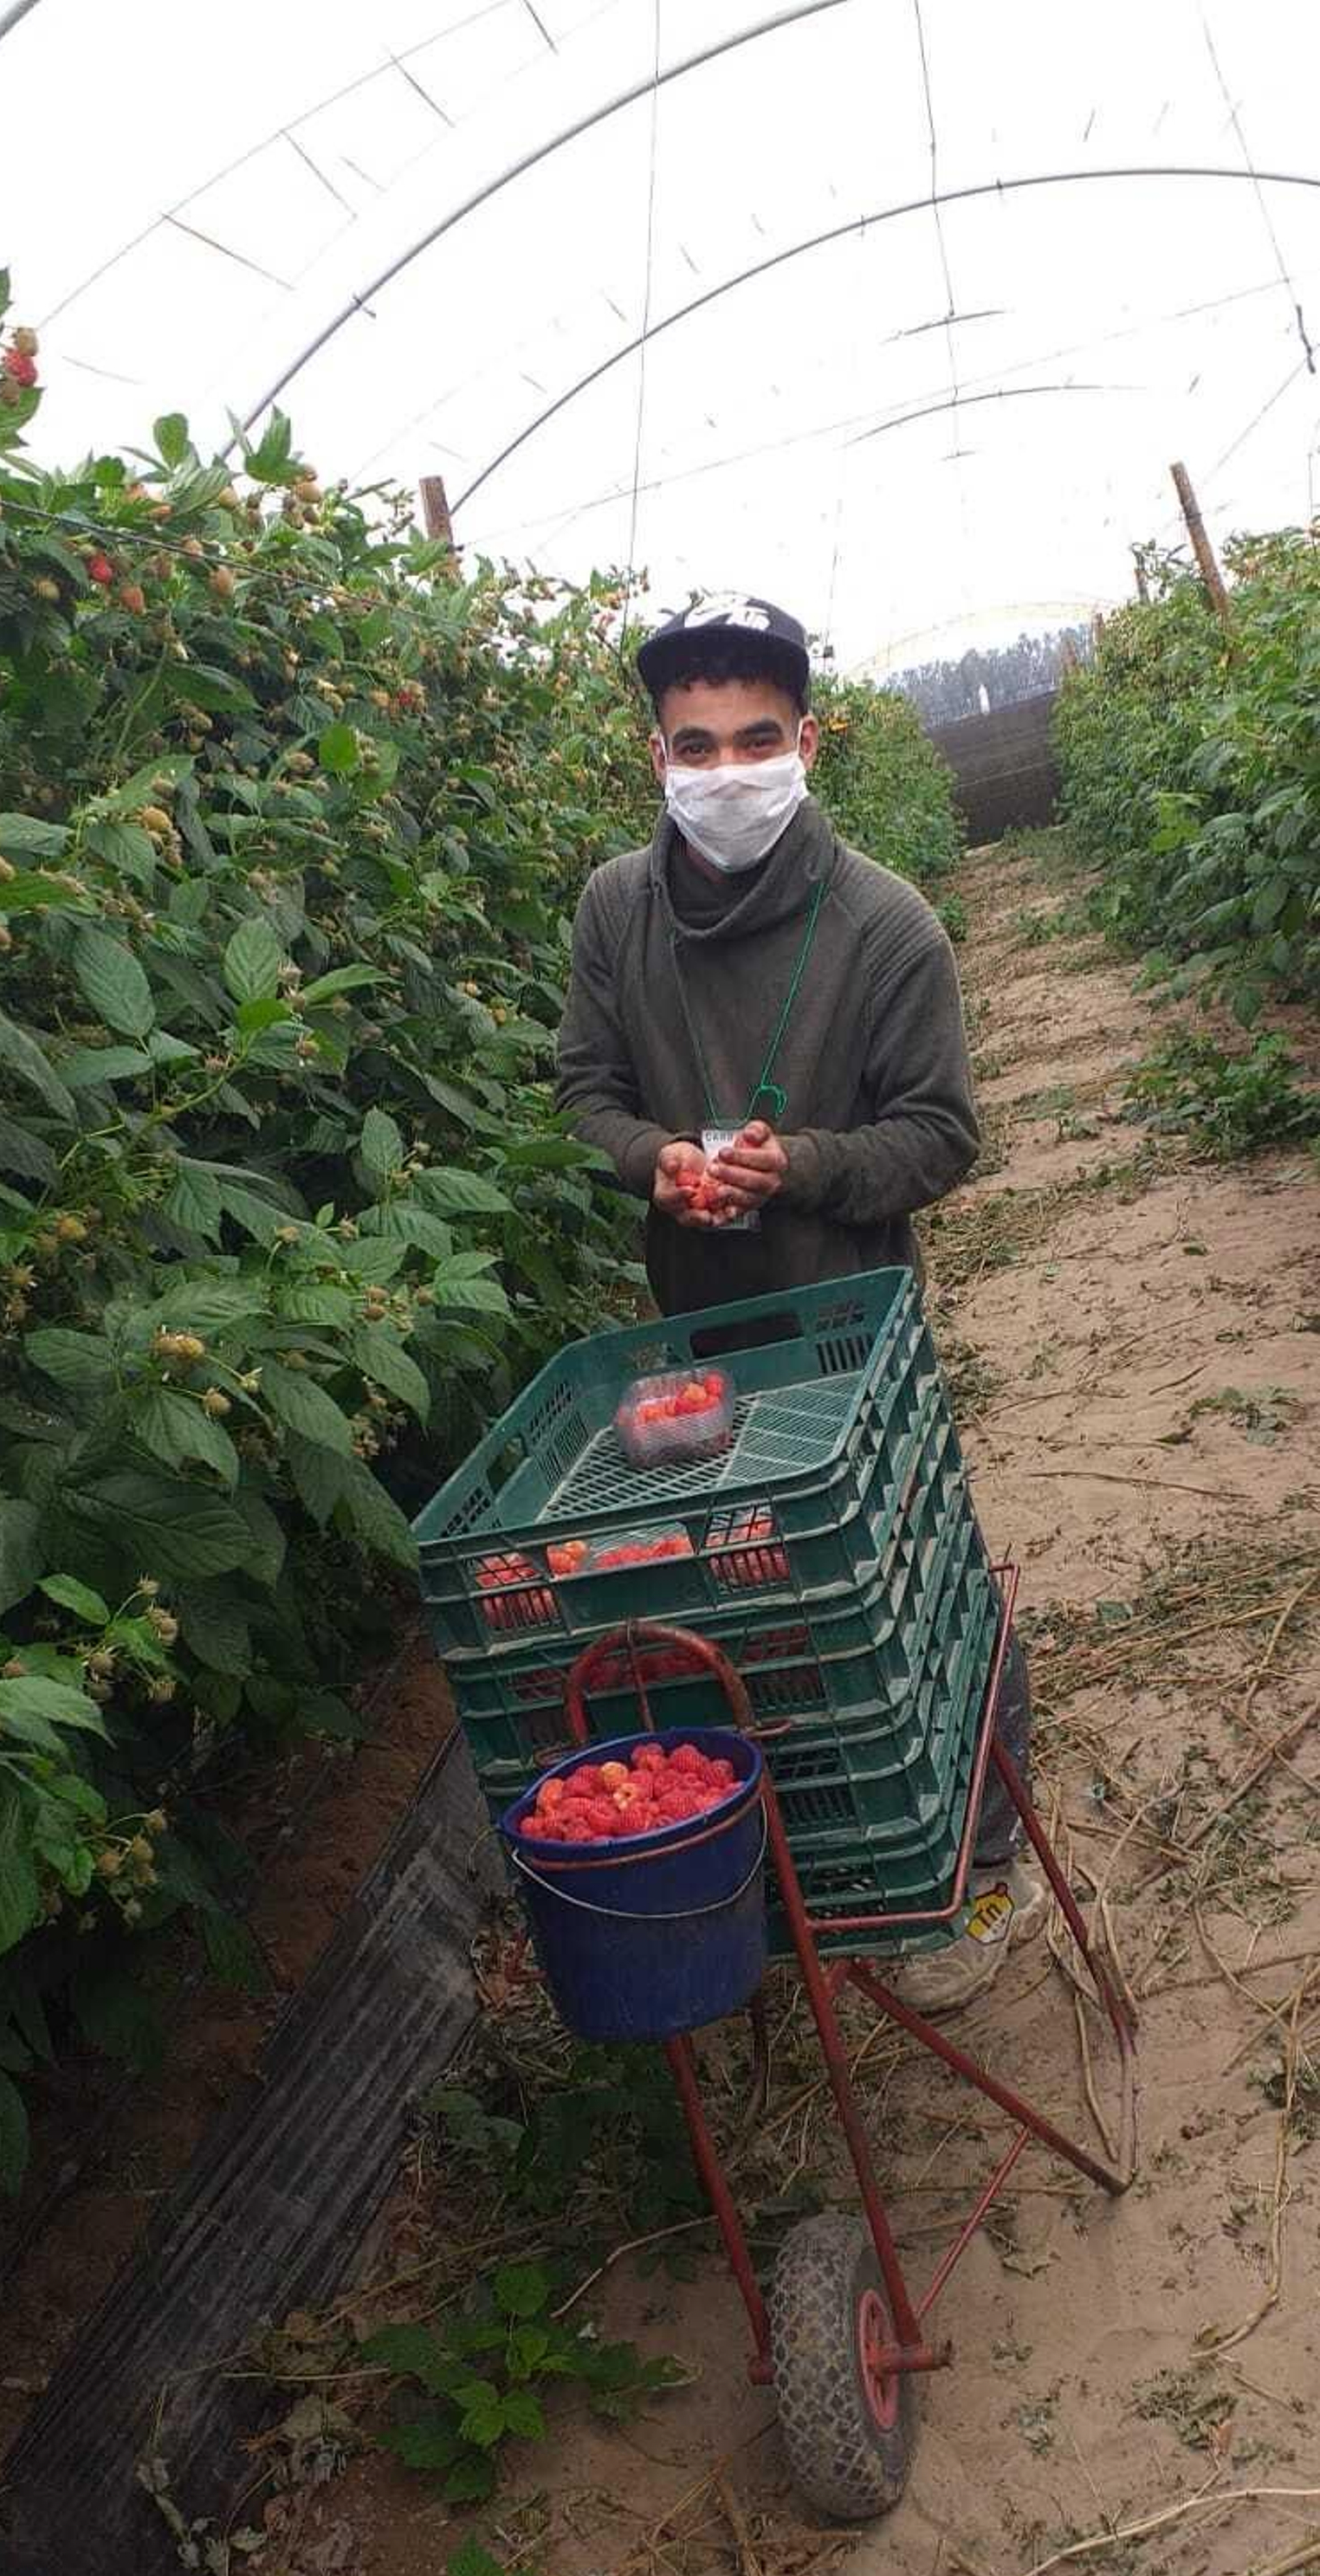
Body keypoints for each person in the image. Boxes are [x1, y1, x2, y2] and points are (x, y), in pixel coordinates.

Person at [555, 592, 1043, 2013]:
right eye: (693, 744)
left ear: (807, 742)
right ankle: (824, 1856)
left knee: (921, 1586)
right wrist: (656, 1165)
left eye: (753, 739)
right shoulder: (614, 910)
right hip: (699, 1346)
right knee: (752, 1598)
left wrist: (801, 1166)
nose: (724, 771)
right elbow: (582, 1096)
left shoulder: (886, 926)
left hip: (852, 1323)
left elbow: (942, 1135)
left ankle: (980, 1857)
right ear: (656, 754)